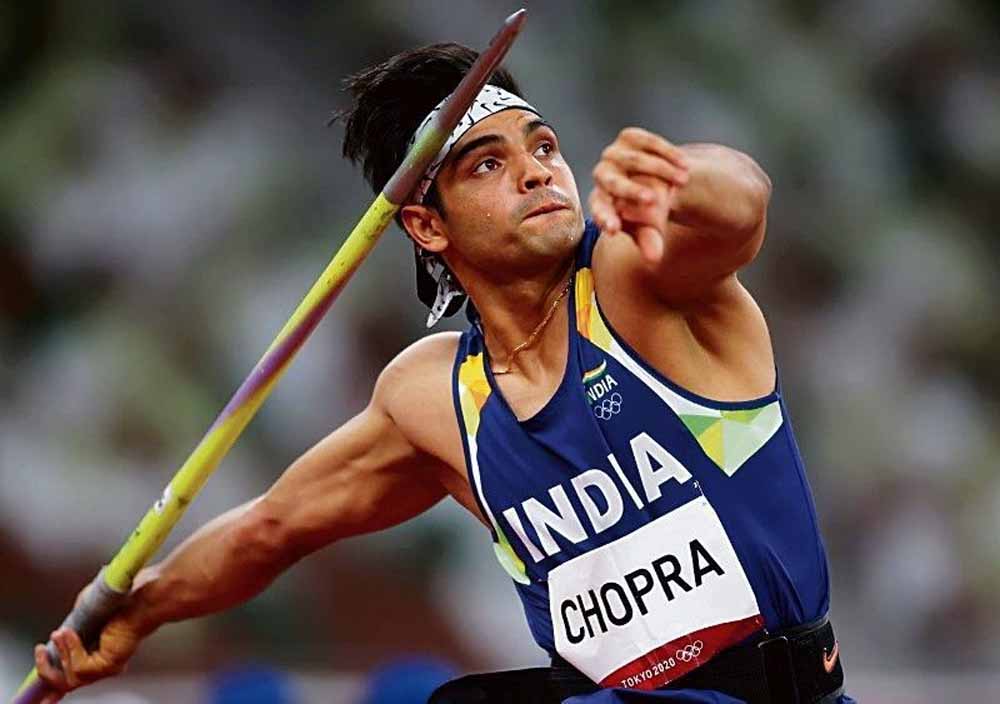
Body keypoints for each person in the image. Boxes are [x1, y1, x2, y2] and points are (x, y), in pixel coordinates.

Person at [34, 43, 854, 703]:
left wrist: (677, 178)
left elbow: (740, 209)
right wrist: (139, 611)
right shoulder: (434, 399)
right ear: (428, 226)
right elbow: (272, 528)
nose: (537, 171)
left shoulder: (634, 287)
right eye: (487, 165)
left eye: (544, 146)